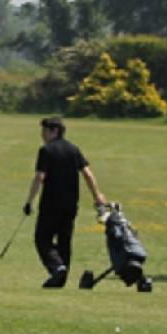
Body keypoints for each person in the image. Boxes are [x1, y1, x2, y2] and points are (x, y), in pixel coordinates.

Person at [22, 116, 106, 289]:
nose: (42, 135)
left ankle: (56, 267)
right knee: (64, 240)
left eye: (45, 131)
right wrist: (96, 195)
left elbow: (40, 177)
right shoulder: (73, 149)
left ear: (54, 131)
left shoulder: (46, 150)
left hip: (50, 203)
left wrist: (29, 202)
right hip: (71, 204)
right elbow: (87, 174)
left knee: (42, 238)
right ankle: (60, 277)